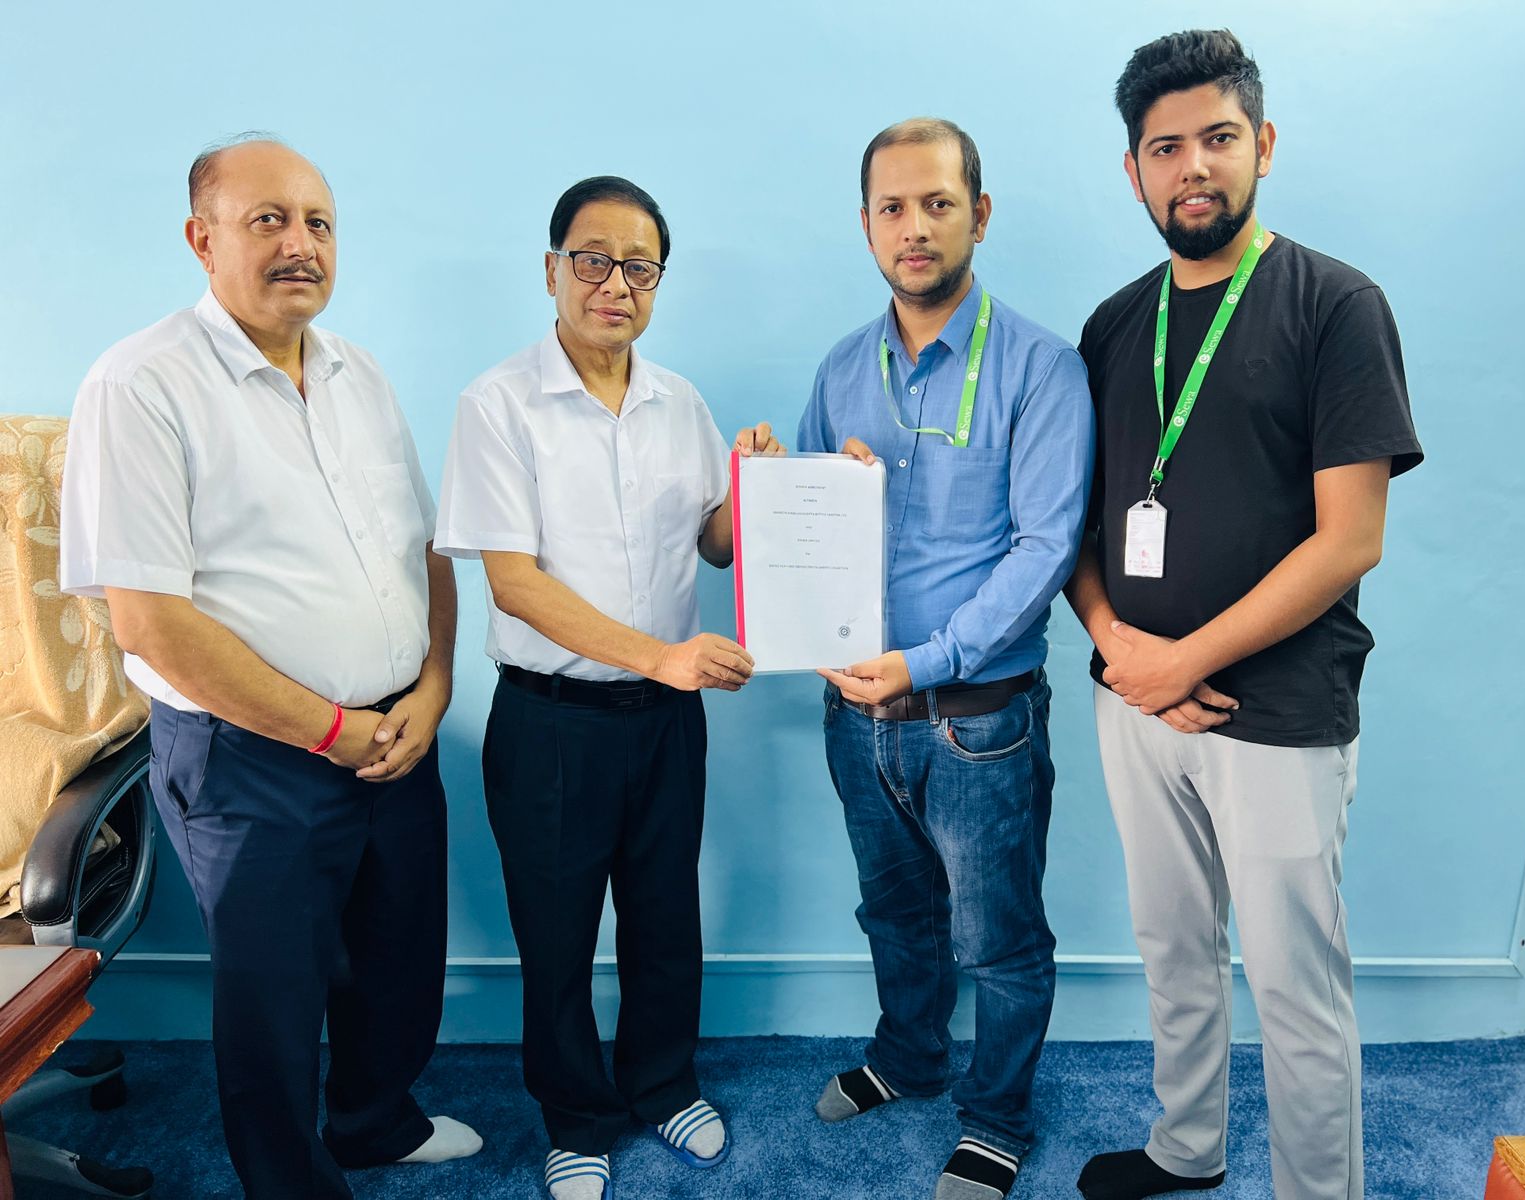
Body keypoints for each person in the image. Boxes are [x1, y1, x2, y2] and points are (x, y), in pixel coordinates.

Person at [58, 136, 479, 1198]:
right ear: (201, 240)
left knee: (396, 962)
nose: (302, 244)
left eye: (319, 222)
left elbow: (424, 550)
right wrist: (329, 730)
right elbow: (150, 622)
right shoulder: (140, 384)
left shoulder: (359, 374)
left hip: (398, 732)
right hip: (251, 757)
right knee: (274, 1003)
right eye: (269, 220)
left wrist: (433, 690)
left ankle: (375, 1124)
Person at [1065, 30, 1424, 1200]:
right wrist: (1119, 651)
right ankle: (1187, 1146)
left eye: (1216, 138)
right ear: (1132, 171)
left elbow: (1349, 538)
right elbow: (1072, 531)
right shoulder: (1113, 326)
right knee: (1171, 949)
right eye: (1164, 147)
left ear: (1261, 145)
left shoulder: (1335, 306)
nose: (1192, 167)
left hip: (1275, 712)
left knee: (1292, 984)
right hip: (1134, 701)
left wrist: (1187, 662)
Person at [434, 175, 782, 1200]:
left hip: (666, 720)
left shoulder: (682, 403)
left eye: (639, 267)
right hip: (552, 720)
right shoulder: (497, 404)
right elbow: (514, 583)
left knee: (666, 917)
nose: (614, 284)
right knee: (556, 935)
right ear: (552, 269)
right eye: (593, 260)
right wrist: (659, 657)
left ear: (657, 284)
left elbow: (716, 545)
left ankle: (663, 1084)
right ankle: (576, 1117)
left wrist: (755, 487)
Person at [798, 119, 1094, 1200]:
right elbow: (803, 528)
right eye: (892, 207)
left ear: (980, 212)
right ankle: (909, 1057)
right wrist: (783, 481)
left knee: (998, 940)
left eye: (936, 203)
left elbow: (1045, 548)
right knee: (894, 914)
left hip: (980, 719)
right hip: (857, 718)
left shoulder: (1042, 367)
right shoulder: (842, 368)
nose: (914, 227)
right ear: (867, 224)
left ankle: (997, 1118)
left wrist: (924, 662)